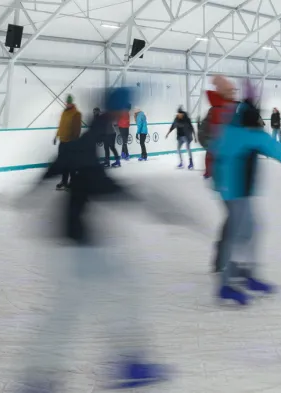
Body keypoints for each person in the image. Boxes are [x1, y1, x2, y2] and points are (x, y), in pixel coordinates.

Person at [15, 87, 189, 392]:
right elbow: (96, 180)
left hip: (78, 238)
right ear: (118, 112)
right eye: (125, 110)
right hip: (80, 243)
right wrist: (153, 205)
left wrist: (33, 190)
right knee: (94, 302)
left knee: (106, 297)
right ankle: (46, 378)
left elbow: (62, 161)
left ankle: (121, 364)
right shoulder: (93, 137)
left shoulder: (89, 136)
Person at [212, 84, 281, 306]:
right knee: (240, 234)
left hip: (230, 191)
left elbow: (216, 149)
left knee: (250, 231)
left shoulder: (229, 129)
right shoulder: (251, 135)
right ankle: (226, 285)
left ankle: (245, 275)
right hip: (238, 192)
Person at [54, 95, 82, 190]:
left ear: (72, 103)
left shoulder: (76, 114)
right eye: (67, 102)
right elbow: (61, 125)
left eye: (69, 103)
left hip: (71, 142)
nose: (67, 104)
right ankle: (64, 181)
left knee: (71, 164)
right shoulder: (64, 112)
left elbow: (77, 129)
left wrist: (74, 141)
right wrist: (56, 136)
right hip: (62, 142)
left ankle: (73, 182)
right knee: (63, 163)